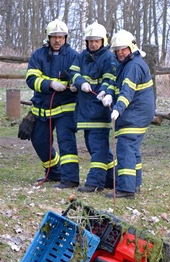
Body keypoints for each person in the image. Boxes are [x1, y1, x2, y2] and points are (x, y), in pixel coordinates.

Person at [100, 30, 155, 199]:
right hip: (138, 112)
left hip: (134, 113)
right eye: (117, 50)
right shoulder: (128, 64)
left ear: (131, 47)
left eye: (123, 49)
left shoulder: (133, 66)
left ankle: (126, 189)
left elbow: (127, 92)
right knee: (133, 149)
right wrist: (108, 93)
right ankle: (135, 184)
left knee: (125, 148)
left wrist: (118, 108)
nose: (120, 52)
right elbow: (117, 85)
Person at [25, 19, 79, 188]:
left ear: (65, 38)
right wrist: (50, 84)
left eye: (61, 37)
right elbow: (31, 78)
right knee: (40, 141)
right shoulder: (38, 55)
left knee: (66, 143)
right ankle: (54, 172)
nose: (57, 40)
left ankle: (70, 179)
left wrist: (75, 85)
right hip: (42, 109)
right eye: (54, 37)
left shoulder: (73, 56)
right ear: (48, 38)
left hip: (65, 109)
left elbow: (79, 77)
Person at [70, 22, 117, 193]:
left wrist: (104, 92)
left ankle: (95, 182)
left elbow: (109, 79)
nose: (93, 44)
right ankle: (112, 178)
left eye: (96, 41)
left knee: (98, 148)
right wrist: (80, 82)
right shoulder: (82, 56)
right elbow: (73, 72)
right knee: (95, 146)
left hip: (99, 109)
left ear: (103, 41)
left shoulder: (108, 58)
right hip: (85, 110)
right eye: (90, 41)